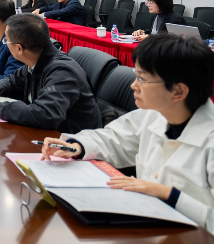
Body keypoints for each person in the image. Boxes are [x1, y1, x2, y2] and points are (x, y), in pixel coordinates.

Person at [40, 34, 214, 233]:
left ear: (178, 92)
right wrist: (76, 146)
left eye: (142, 79)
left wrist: (169, 195)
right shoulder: (154, 115)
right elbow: (113, 139)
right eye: (135, 75)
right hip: (148, 228)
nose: (133, 85)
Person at [0, 13, 101, 133]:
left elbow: (46, 114)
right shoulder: (37, 60)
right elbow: (13, 81)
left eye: (6, 40)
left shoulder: (62, 72)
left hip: (73, 143)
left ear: (19, 48)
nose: (6, 44)